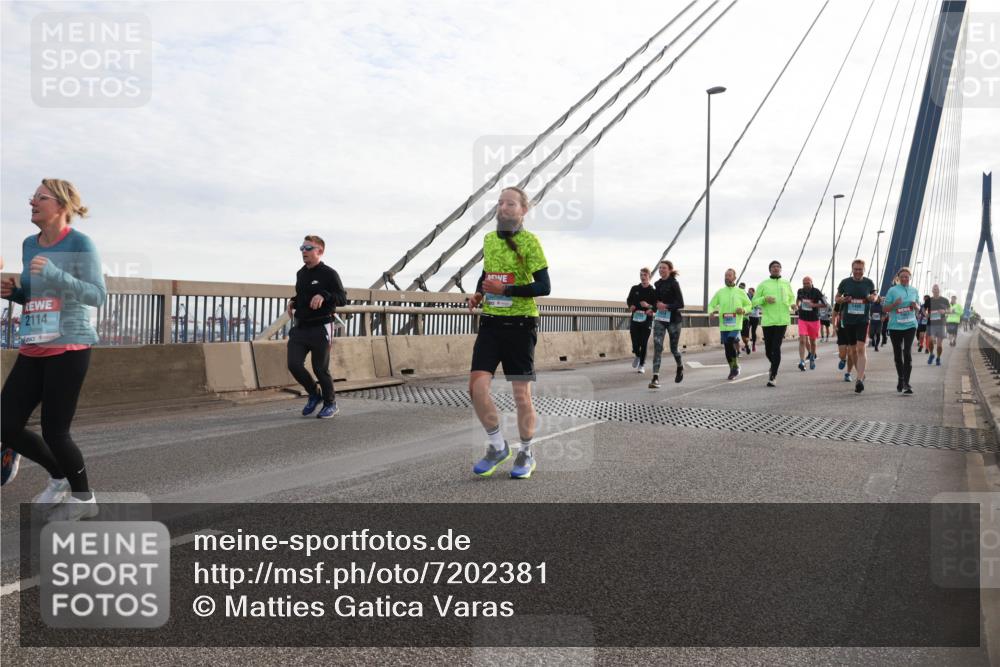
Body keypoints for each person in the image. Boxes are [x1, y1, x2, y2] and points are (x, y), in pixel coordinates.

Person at [0, 179, 107, 521]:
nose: (32, 201)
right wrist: (13, 294)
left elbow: (96, 295)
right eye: (32, 196)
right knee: (5, 424)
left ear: (61, 206)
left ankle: (84, 499)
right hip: (34, 344)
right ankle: (58, 475)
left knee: (55, 431)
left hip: (69, 346)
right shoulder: (29, 244)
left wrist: (57, 273)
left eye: (40, 198)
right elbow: (36, 296)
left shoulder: (80, 243)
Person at [468, 187, 550, 479]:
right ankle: (497, 446)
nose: (503, 207)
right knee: (476, 388)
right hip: (491, 323)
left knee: (521, 397)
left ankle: (526, 452)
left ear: (522, 210)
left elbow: (543, 286)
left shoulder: (530, 242)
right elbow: (488, 275)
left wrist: (506, 290)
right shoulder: (489, 239)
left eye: (510, 203)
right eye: (501, 202)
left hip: (520, 325)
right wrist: (479, 294)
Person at [286, 235, 347, 419]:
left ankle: (331, 403)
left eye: (308, 248)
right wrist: (293, 301)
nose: (304, 252)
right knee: (294, 364)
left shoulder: (329, 273)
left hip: (321, 327)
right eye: (302, 248)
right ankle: (314, 393)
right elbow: (303, 296)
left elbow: (342, 298)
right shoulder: (301, 274)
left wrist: (324, 295)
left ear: (319, 251)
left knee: (320, 368)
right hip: (301, 328)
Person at [835, 259, 878, 393]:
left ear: (864, 270)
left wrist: (873, 298)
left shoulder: (868, 282)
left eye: (860, 269)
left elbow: (875, 295)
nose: (858, 271)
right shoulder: (845, 282)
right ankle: (860, 373)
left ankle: (859, 380)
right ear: (852, 269)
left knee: (860, 349)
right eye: (856, 269)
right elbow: (837, 298)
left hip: (862, 320)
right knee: (852, 351)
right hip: (848, 320)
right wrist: (843, 299)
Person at [752, 260, 795, 387]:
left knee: (776, 348)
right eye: (773, 267)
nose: (776, 268)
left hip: (782, 320)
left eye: (778, 267)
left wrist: (793, 304)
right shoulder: (763, 284)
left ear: (781, 269)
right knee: (768, 350)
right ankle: (774, 365)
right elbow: (754, 302)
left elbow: (792, 297)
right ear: (770, 270)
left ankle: (773, 375)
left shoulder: (786, 283)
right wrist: (765, 299)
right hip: (768, 321)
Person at [707, 269, 752, 380]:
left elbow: (749, 305)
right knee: (727, 347)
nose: (727, 277)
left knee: (731, 340)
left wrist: (743, 310)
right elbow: (711, 304)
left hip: (736, 324)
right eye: (725, 275)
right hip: (724, 324)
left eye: (729, 275)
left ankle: (734, 367)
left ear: (734, 278)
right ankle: (733, 367)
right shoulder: (720, 292)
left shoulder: (740, 292)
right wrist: (711, 312)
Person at [648, 260, 685, 389]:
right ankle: (655, 377)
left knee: (674, 348)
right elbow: (655, 302)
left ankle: (680, 366)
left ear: (669, 270)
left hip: (674, 320)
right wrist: (652, 308)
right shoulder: (657, 284)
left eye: (664, 268)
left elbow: (681, 303)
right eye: (660, 268)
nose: (661, 270)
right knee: (658, 346)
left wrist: (667, 306)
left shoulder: (674, 284)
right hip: (660, 318)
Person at [883, 266, 920, 394]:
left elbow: (919, 307)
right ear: (898, 278)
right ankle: (901, 378)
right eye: (902, 277)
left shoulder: (914, 290)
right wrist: (894, 304)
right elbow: (885, 309)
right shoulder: (892, 291)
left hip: (910, 325)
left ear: (910, 278)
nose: (905, 279)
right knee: (898, 355)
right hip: (895, 326)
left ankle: (906, 383)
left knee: (907, 352)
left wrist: (916, 306)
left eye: (907, 277)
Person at [626, 267, 656, 374]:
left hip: (646, 320)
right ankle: (638, 355)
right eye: (641, 275)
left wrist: (649, 306)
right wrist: (631, 306)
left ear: (649, 276)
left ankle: (642, 364)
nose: (643, 277)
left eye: (645, 275)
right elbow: (629, 300)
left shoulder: (653, 291)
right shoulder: (635, 289)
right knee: (635, 342)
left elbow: (656, 306)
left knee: (643, 342)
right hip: (635, 318)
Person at [795, 276, 826, 371]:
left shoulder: (817, 292)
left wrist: (814, 305)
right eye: (804, 283)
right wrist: (797, 306)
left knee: (812, 341)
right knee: (802, 341)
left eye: (807, 283)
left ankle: (812, 357)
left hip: (814, 319)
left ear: (812, 283)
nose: (805, 285)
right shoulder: (800, 291)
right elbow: (798, 300)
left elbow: (825, 304)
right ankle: (802, 361)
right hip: (802, 319)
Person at [926, 286, 949, 366]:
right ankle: (931, 354)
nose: (935, 290)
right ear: (932, 291)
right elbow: (923, 309)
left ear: (939, 290)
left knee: (939, 344)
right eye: (934, 289)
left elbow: (950, 310)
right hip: (931, 324)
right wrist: (925, 314)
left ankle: (938, 358)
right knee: (931, 341)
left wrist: (945, 311)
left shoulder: (945, 300)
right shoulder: (928, 300)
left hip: (941, 324)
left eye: (937, 289)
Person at [742, 286, 760, 354]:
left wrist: (755, 305)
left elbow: (760, 306)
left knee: (753, 332)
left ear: (753, 292)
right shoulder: (747, 298)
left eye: (750, 292)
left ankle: (754, 345)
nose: (749, 293)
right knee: (746, 331)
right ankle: (746, 345)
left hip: (755, 317)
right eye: (748, 292)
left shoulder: (757, 298)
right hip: (749, 317)